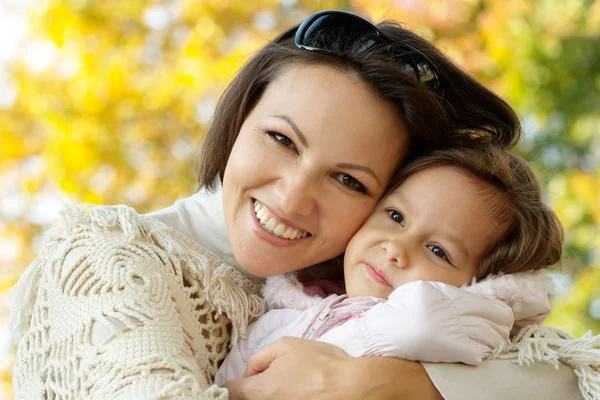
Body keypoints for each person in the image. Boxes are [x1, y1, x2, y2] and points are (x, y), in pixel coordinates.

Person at [9, 9, 587, 400]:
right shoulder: (105, 261)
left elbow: (576, 374)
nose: (291, 197)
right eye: (281, 139)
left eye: (349, 181)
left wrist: (382, 383)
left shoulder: (349, 290)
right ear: (239, 119)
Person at [214, 146, 564, 385]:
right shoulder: (286, 308)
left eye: (438, 251)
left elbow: (425, 322)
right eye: (395, 216)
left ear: (481, 288)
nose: (396, 248)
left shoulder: (448, 345)